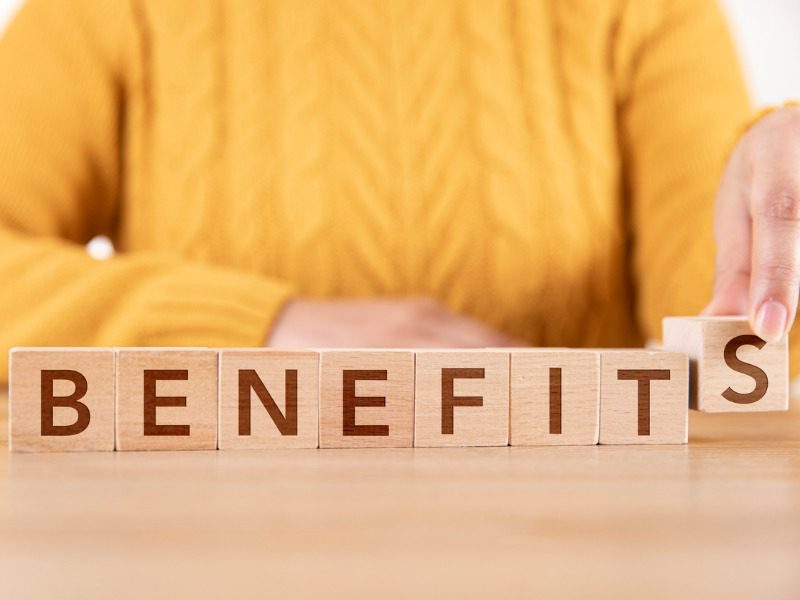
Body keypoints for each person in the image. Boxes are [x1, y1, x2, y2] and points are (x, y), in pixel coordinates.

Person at [0, 0, 797, 384]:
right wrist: (257, 328)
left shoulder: (644, 11)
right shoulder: (103, 12)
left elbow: (729, 349)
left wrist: (778, 239)